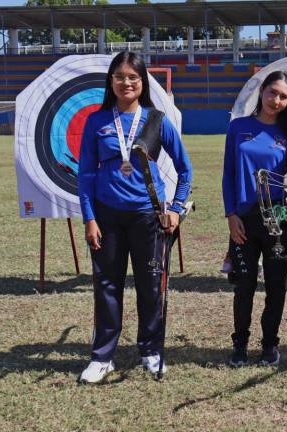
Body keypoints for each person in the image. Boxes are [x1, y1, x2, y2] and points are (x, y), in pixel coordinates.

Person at [77, 51, 193, 384]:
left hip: (147, 215)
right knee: (107, 285)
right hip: (107, 215)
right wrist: (89, 217)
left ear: (142, 82)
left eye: (133, 77)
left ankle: (150, 350)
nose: (126, 83)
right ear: (110, 81)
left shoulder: (156, 120)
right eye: (119, 76)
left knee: (149, 287)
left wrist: (175, 207)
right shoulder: (96, 121)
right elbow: (86, 174)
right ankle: (102, 357)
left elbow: (184, 169)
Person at [223, 70, 287, 367]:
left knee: (276, 285)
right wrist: (230, 215)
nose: (275, 100)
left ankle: (269, 345)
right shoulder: (239, 127)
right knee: (245, 285)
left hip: (276, 221)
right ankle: (240, 345)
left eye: (283, 96)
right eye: (272, 92)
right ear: (261, 91)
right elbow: (228, 174)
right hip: (243, 220)